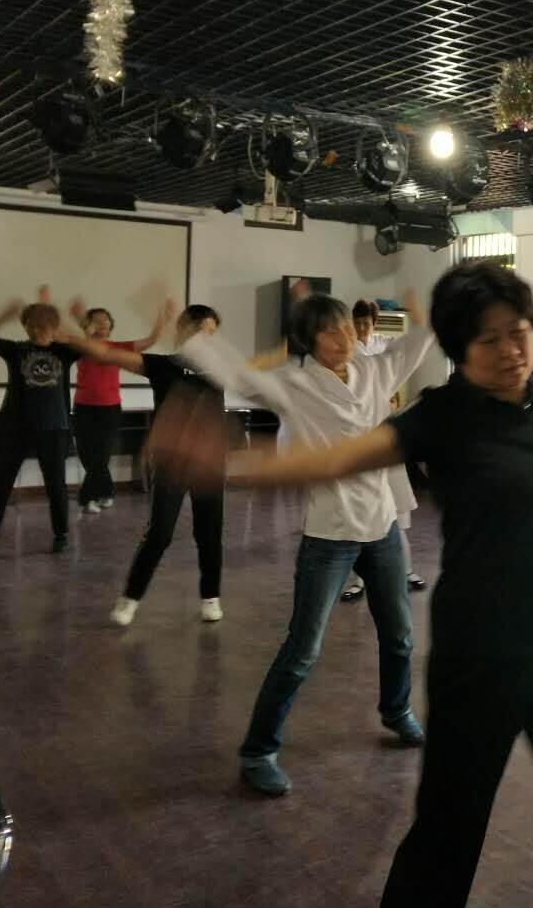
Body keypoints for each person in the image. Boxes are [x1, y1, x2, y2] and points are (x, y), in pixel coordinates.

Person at [142, 260, 533, 908]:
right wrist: (228, 466)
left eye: (520, 331)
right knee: (452, 817)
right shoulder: (442, 416)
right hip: (477, 650)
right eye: (490, 338)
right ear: (460, 349)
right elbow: (335, 458)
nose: (512, 349)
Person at [178, 290, 434, 796]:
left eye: (347, 329)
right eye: (331, 332)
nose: (344, 339)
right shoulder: (295, 383)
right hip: (330, 534)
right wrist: (196, 340)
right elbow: (240, 378)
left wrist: (422, 310)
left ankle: (396, 709)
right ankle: (258, 751)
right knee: (302, 649)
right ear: (309, 340)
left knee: (400, 633)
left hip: (381, 525)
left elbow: (417, 343)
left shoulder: (374, 370)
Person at [59, 302, 227, 624]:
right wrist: (74, 337)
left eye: (212, 334)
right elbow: (111, 355)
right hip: (172, 464)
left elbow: (259, 370)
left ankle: (211, 596)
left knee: (210, 533)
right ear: (184, 332)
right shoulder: (164, 366)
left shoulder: (220, 370)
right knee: (159, 534)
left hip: (209, 463)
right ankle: (130, 598)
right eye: (202, 332)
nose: (208, 340)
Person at [0, 290, 81, 558]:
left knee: (56, 485)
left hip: (54, 428)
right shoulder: (16, 350)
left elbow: (88, 344)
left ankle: (61, 534)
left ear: (53, 327)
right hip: (16, 427)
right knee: (1, 483)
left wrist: (67, 322)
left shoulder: (64, 352)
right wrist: (4, 315)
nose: (36, 330)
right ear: (25, 326)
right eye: (31, 325)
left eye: (43, 325)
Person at [341, 298, 427, 601]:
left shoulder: (384, 346)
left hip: (386, 435)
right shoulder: (349, 351)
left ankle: (406, 570)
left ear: (374, 323)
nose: (362, 327)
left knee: (398, 516)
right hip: (359, 438)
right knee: (359, 521)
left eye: (366, 322)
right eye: (358, 322)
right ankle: (359, 580)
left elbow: (406, 357)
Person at [69, 301, 167, 514]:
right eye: (96, 321)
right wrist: (80, 323)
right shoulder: (81, 348)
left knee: (101, 455)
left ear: (110, 325)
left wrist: (161, 319)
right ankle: (107, 491)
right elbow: (69, 340)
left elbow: (151, 340)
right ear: (88, 325)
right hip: (83, 407)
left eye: (105, 320)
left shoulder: (119, 348)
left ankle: (88, 497)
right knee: (87, 455)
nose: (102, 324)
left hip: (109, 408)